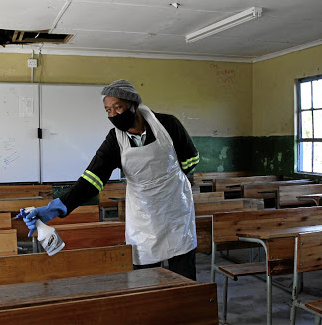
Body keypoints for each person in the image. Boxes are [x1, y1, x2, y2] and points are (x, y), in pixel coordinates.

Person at [24, 80, 200, 280]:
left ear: (134, 104)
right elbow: (91, 181)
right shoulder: (114, 141)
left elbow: (190, 160)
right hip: (144, 217)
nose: (114, 115)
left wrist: (168, 183)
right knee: (145, 279)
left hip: (177, 211)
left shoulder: (168, 124)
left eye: (118, 108)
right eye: (108, 110)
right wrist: (56, 207)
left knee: (184, 275)